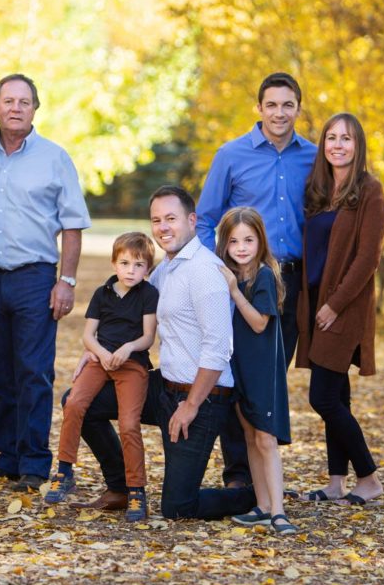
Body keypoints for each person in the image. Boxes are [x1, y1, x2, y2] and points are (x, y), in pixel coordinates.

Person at [69, 186, 257, 520]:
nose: (163, 227)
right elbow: (126, 309)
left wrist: (190, 406)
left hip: (203, 397)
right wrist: (96, 350)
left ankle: (251, 496)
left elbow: (217, 349)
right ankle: (120, 488)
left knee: (177, 508)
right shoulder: (164, 269)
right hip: (163, 387)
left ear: (192, 221)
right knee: (78, 400)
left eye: (171, 218)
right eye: (156, 220)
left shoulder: (204, 272)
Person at [0, 74, 91, 492]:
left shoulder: (55, 158)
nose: (15, 108)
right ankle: (8, 455)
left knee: (33, 371)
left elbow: (72, 225)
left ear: (36, 108)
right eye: (7, 101)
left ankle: (35, 462)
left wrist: (66, 281)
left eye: (24, 101)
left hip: (36, 278)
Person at [196, 72, 316, 488]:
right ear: (259, 108)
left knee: (270, 379)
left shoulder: (314, 158)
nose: (279, 113)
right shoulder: (231, 155)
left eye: (288, 105)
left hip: (292, 283)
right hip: (242, 282)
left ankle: (265, 475)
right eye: (272, 105)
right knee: (237, 376)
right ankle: (239, 478)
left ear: (299, 108)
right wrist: (219, 273)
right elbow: (206, 219)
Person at [296, 112, 384, 506]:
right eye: (331, 137)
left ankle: (368, 478)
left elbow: (367, 258)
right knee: (338, 395)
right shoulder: (317, 190)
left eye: (346, 138)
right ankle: (336, 482)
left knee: (323, 398)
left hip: (343, 307)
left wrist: (334, 305)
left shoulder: (369, 191)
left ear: (358, 145)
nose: (338, 144)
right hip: (314, 303)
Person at [45, 232, 158, 521]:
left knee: (129, 423)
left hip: (131, 364)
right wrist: (99, 352)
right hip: (100, 360)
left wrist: (127, 348)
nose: (131, 270)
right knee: (73, 403)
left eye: (139, 265)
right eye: (125, 263)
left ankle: (135, 490)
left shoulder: (148, 295)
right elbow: (87, 335)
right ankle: (65, 470)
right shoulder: (101, 294)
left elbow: (147, 337)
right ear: (114, 264)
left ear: (148, 269)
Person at [216, 208, 295, 534]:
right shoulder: (234, 274)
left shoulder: (262, 276)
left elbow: (260, 323)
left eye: (248, 240)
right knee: (249, 435)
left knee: (265, 438)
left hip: (262, 371)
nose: (242, 247)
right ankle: (262, 506)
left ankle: (279, 511)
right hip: (239, 369)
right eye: (234, 241)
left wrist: (234, 290)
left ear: (260, 240)